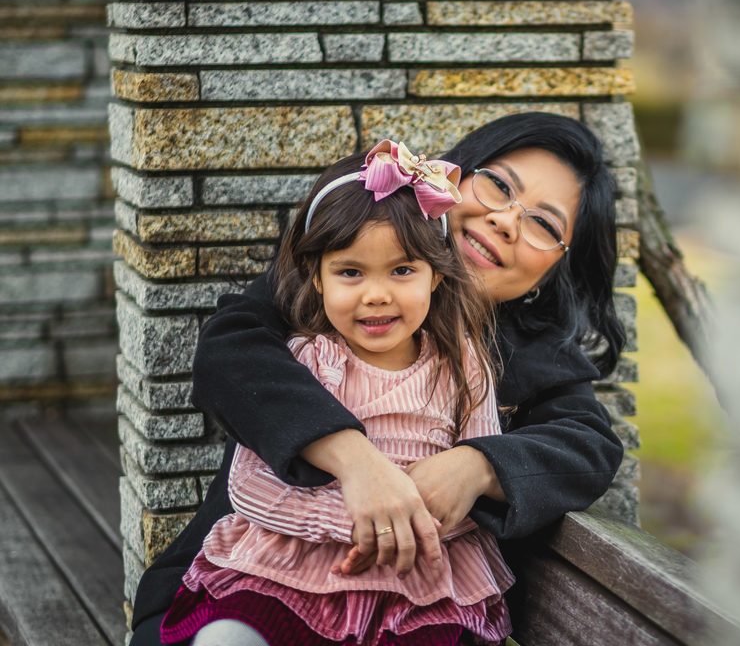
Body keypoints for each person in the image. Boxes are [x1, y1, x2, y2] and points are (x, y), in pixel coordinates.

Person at [131, 113, 626, 645]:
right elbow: (231, 349)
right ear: (449, 179)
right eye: (500, 185)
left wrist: (477, 466)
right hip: (257, 593)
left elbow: (589, 445)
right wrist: (356, 462)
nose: (506, 220)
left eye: (544, 225)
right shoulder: (334, 282)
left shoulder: (532, 357)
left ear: (554, 270)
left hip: (409, 610)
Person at [160, 140, 513, 646]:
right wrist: (350, 522)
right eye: (350, 272)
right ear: (316, 278)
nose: (376, 293)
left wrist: (406, 526)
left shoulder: (462, 365)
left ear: (436, 275)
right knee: (226, 639)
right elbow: (251, 487)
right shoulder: (309, 359)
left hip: (417, 579)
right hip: (292, 568)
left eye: (402, 270)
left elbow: (474, 477)